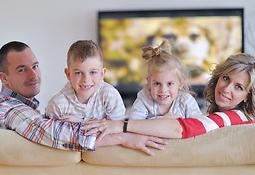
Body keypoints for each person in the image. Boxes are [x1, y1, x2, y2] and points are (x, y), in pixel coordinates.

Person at [0, 41, 168, 155]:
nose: (33, 75)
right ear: (4, 79)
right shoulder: (9, 109)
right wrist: (125, 138)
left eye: (35, 66)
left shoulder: (22, 107)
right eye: (22, 69)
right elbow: (54, 133)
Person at [83, 53, 255, 139]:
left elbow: (182, 128)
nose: (226, 88)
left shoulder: (236, 118)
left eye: (239, 87)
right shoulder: (144, 98)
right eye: (226, 78)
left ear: (248, 96)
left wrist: (122, 125)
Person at [45, 40, 125, 122]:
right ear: (68, 74)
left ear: (102, 74)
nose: (86, 79)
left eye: (93, 72)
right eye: (78, 73)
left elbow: (118, 130)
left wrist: (81, 123)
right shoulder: (58, 105)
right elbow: (47, 132)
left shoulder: (110, 96)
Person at [128, 40, 202, 119]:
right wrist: (163, 120)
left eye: (169, 84)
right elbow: (133, 123)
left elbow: (198, 124)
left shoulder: (185, 101)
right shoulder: (144, 98)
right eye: (157, 84)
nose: (163, 90)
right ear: (149, 82)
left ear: (180, 83)